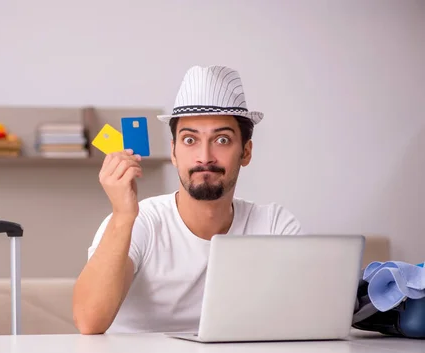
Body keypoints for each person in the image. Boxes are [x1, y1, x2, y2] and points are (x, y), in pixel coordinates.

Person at [72, 65, 303, 335]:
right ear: (173, 152)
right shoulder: (140, 222)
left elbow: (306, 317)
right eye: (190, 139)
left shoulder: (274, 226)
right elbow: (89, 321)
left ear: (246, 152)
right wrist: (123, 215)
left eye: (222, 139)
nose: (204, 156)